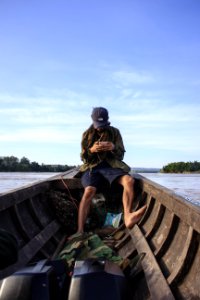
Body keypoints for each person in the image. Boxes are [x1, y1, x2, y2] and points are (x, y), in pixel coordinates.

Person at [78, 107, 146, 233]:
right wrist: (91, 150)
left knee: (129, 181)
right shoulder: (86, 134)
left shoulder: (115, 132)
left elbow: (121, 155)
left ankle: (128, 216)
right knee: (89, 191)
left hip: (111, 167)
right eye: (98, 125)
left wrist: (113, 147)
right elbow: (83, 157)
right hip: (92, 168)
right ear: (93, 121)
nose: (100, 127)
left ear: (107, 120)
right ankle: (80, 231)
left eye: (102, 124)